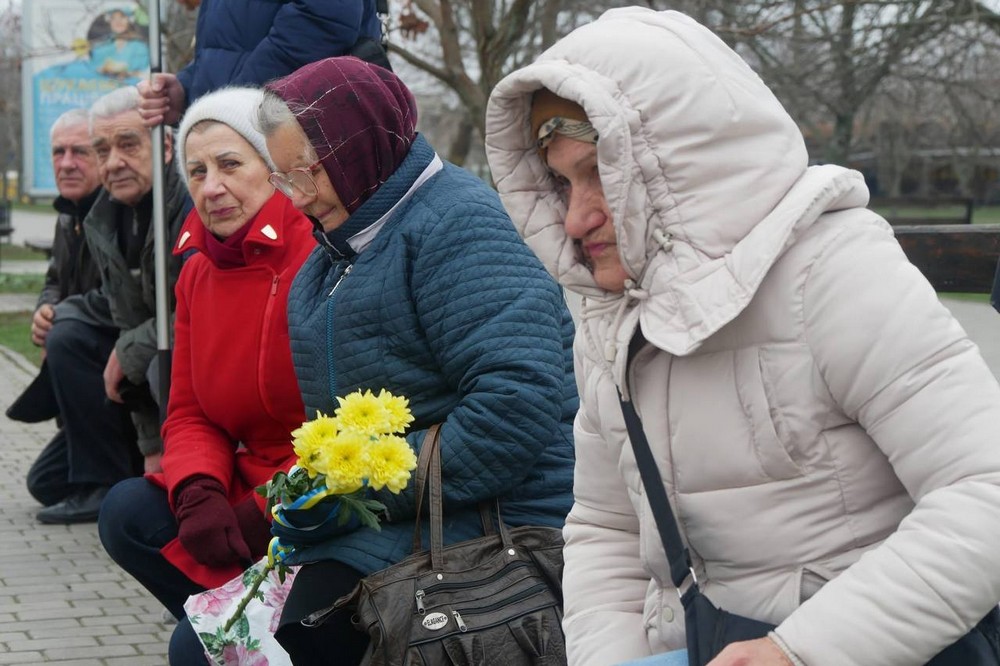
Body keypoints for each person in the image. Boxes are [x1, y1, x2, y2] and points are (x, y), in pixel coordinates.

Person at [483, 7, 1000, 666]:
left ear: (674, 164)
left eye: (600, 173)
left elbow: (985, 492)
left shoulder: (832, 272)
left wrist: (798, 652)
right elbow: (606, 529)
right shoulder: (607, 320)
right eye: (561, 183)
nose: (575, 218)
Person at [254, 55, 578, 664]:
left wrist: (361, 492)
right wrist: (322, 487)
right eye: (283, 179)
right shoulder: (337, 252)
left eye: (307, 174)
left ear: (360, 148)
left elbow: (515, 407)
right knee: (224, 641)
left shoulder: (460, 225)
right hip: (408, 515)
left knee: (290, 644)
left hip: (494, 522)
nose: (298, 199)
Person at [98, 86, 316, 665]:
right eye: (196, 171)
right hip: (244, 483)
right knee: (126, 511)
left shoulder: (321, 254)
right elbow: (191, 410)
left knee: (193, 650)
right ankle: (240, 623)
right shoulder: (195, 272)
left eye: (230, 164)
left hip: (321, 492)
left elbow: (352, 423)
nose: (211, 186)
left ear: (274, 168)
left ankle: (255, 632)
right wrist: (198, 491)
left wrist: (268, 506)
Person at [9, 108, 139, 524]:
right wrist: (45, 309)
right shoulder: (69, 212)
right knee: (44, 483)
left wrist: (61, 315)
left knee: (66, 336)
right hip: (88, 355)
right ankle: (128, 472)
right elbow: (54, 279)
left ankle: (105, 485)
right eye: (58, 152)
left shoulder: (120, 209)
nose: (66, 163)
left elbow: (124, 297)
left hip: (123, 361)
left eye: (79, 152)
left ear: (101, 155)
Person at [53, 85, 188, 479]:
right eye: (102, 150)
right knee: (47, 481)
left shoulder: (192, 202)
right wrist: (152, 449)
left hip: (206, 378)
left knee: (156, 366)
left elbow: (207, 315)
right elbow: (130, 321)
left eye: (128, 145)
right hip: (151, 384)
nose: (113, 163)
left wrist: (129, 349)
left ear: (165, 147)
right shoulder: (103, 220)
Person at [136, 0, 384, 128]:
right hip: (245, 137)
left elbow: (322, 19)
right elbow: (230, 43)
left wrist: (234, 105)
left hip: (286, 144)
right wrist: (188, 90)